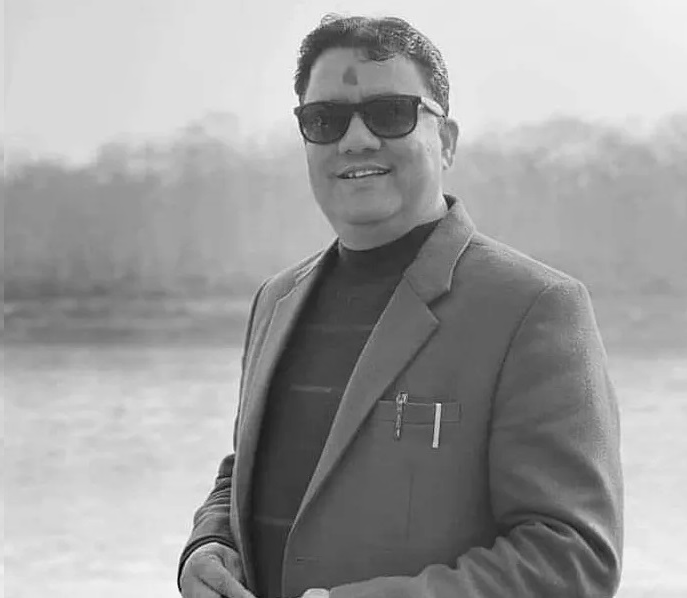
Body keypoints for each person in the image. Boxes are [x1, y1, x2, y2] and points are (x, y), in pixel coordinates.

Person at [178, 14, 623, 598]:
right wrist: (209, 543)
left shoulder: (533, 308)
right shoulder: (275, 300)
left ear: (447, 140)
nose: (355, 139)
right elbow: (247, 469)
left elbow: (573, 559)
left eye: (390, 113)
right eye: (326, 120)